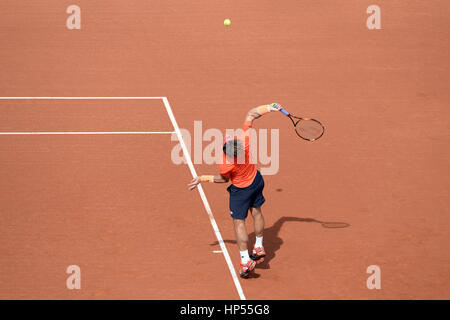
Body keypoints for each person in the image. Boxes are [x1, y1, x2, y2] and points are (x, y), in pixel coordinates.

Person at [188, 103, 282, 278]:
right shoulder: (244, 142)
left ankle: (245, 260)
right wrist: (270, 107)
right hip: (257, 180)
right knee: (256, 211)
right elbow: (252, 114)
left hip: (241, 191)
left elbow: (223, 179)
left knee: (239, 223)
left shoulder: (225, 163)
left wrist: (202, 178)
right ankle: (259, 245)